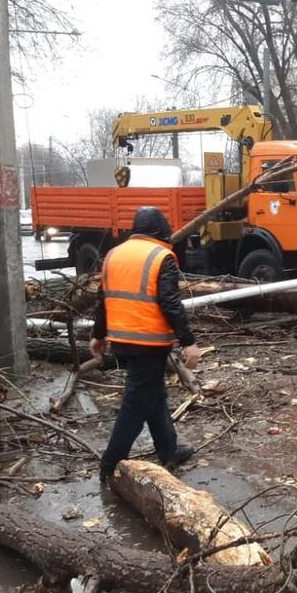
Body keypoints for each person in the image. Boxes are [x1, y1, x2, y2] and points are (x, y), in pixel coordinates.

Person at [93, 207, 201, 483]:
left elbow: (103, 297)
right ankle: (111, 464)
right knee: (137, 402)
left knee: (154, 395)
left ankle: (168, 450)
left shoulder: (114, 254)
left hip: (122, 340)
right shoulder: (161, 256)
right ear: (160, 229)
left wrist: (98, 334)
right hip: (149, 341)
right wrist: (188, 342)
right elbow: (170, 302)